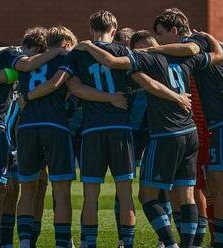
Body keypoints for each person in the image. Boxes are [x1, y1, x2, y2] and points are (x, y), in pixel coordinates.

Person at [74, 29, 223, 248]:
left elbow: (114, 63)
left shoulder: (143, 62)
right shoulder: (181, 59)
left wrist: (87, 45)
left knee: (152, 192)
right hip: (172, 130)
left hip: (162, 133)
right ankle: (185, 243)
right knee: (183, 190)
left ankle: (170, 242)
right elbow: (214, 54)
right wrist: (210, 39)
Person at [0, 27, 64, 248]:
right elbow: (24, 65)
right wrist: (57, 52)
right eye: (40, 53)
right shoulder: (15, 56)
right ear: (36, 49)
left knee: (3, 186)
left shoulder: (4, 58)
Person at [149, 8, 223, 247]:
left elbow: (190, 49)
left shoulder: (195, 40)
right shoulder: (206, 45)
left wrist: (151, 50)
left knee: (217, 184)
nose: (159, 40)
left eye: (160, 34)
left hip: (219, 122)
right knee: (211, 184)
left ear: (174, 30)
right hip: (213, 124)